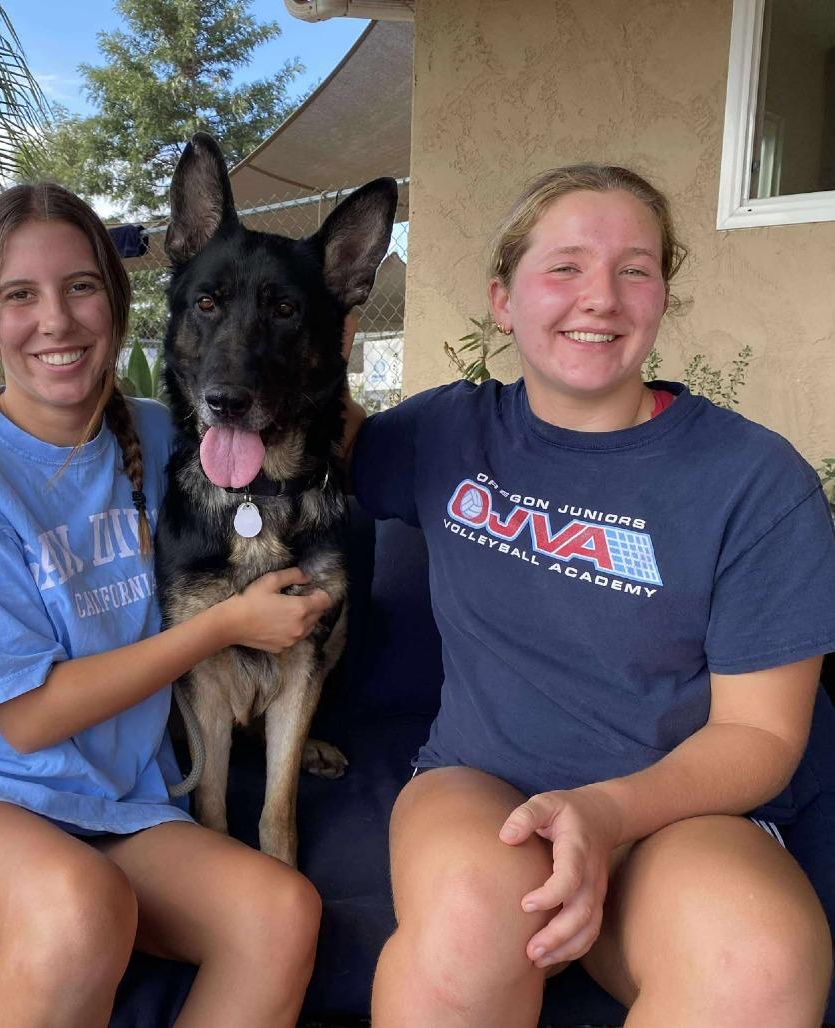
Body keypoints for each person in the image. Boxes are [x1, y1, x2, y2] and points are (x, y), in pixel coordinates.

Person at [342, 165, 835, 1026]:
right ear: (504, 299)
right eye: (564, 267)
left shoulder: (755, 482)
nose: (600, 297)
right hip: (481, 782)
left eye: (634, 269)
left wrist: (608, 813)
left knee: (756, 960)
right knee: (467, 918)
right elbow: (310, 438)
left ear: (662, 296)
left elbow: (760, 734)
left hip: (675, 811)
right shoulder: (444, 432)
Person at [0, 182, 333, 1027]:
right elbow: (24, 721)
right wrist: (224, 626)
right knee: (77, 906)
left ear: (118, 302)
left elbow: (312, 426)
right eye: (18, 296)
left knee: (279, 913)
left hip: (116, 807)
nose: (56, 322)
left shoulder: (172, 436)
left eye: (80, 287)